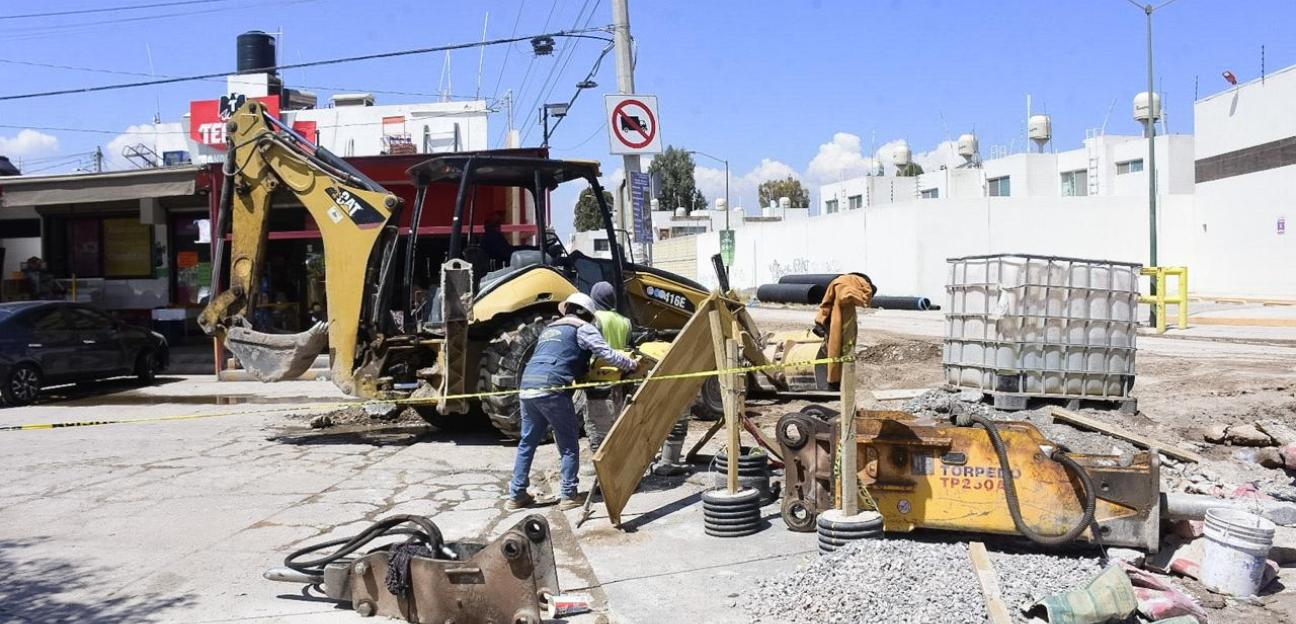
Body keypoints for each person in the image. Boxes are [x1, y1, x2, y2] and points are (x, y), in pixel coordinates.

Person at [508, 292, 637, 511]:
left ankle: (517, 495)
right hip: (552, 389)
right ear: (586, 314)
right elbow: (605, 353)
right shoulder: (583, 328)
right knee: (568, 445)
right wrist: (630, 364)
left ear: (567, 309)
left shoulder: (549, 329)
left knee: (527, 443)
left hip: (528, 386)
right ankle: (568, 495)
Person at [582, 282, 632, 460]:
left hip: (598, 378)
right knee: (616, 422)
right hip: (619, 377)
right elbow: (627, 347)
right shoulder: (625, 322)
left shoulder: (595, 319)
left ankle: (602, 466)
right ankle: (618, 458)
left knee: (596, 426)